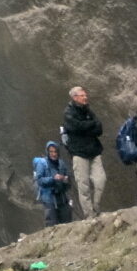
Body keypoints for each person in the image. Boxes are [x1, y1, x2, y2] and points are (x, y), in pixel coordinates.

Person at [61, 85, 105, 217]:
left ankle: (96, 206)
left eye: (85, 95)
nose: (86, 97)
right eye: (82, 95)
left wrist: (86, 126)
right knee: (83, 185)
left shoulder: (88, 111)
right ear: (74, 97)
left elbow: (99, 128)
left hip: (94, 151)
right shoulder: (68, 112)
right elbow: (76, 127)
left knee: (101, 180)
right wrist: (89, 125)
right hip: (79, 153)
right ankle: (89, 214)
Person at [33, 140, 73, 225]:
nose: (53, 154)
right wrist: (53, 179)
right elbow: (40, 180)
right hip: (49, 200)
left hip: (62, 198)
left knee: (67, 224)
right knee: (52, 225)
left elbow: (69, 183)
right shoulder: (42, 163)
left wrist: (65, 180)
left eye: (55, 152)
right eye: (51, 151)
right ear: (48, 152)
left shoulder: (62, 164)